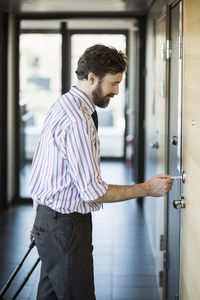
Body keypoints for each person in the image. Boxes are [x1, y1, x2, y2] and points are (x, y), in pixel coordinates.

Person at [29, 44, 173, 300]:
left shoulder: (64, 104)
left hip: (50, 221)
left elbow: (41, 168)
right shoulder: (77, 120)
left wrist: (38, 217)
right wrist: (147, 189)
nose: (117, 91)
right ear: (92, 78)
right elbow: (93, 191)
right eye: (113, 83)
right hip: (65, 227)